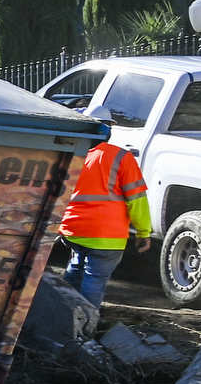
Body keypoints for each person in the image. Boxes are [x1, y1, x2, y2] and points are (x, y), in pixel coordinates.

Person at [59, 132, 149, 309]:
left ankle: (61, 315)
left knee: (75, 270)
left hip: (73, 229)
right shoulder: (121, 157)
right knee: (94, 279)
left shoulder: (74, 153)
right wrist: (143, 232)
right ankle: (85, 322)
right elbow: (137, 199)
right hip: (106, 235)